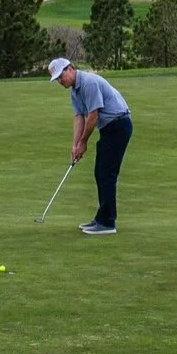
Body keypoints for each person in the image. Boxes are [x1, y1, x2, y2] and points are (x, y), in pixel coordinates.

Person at [49, 56, 132, 235]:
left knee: (106, 173)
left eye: (60, 77)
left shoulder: (89, 83)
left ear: (70, 68)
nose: (60, 82)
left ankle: (107, 222)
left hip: (119, 125)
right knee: (100, 172)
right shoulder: (75, 92)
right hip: (109, 129)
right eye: (56, 80)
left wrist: (84, 142)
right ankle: (102, 218)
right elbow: (79, 117)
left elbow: (93, 115)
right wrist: (75, 145)